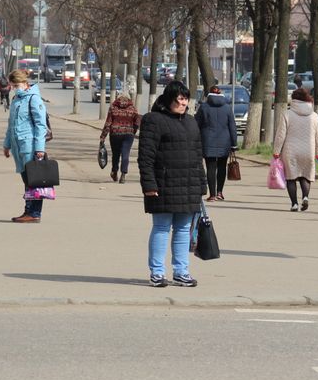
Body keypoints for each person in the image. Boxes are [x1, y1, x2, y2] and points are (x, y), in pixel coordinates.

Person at [138, 80, 207, 288]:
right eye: (178, 99)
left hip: (188, 185)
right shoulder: (153, 120)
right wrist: (149, 184)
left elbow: (198, 155)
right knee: (161, 228)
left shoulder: (191, 122)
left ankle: (181, 272)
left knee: (184, 229)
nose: (182, 102)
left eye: (185, 99)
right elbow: (145, 157)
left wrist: (202, 185)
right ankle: (157, 273)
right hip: (162, 185)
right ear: (168, 99)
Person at [3, 69, 48, 223]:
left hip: (30, 146)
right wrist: (6, 144)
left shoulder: (33, 98)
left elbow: (41, 125)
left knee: (33, 181)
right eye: (12, 86)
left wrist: (40, 148)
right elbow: (11, 124)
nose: (14, 88)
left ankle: (34, 213)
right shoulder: (16, 99)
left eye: (16, 85)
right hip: (18, 147)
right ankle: (28, 210)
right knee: (27, 181)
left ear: (24, 83)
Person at [272, 87, 318, 212]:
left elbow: (281, 135)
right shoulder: (314, 116)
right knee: (305, 176)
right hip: (308, 151)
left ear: (293, 99)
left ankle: (294, 204)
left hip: (290, 151)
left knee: (291, 178)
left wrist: (276, 151)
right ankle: (305, 197)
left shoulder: (287, 114)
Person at [195, 85, 237, 201]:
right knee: (222, 167)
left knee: (211, 167)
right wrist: (234, 144)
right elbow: (232, 127)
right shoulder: (227, 108)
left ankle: (212, 194)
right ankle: (220, 192)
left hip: (208, 141)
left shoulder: (204, 107)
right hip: (225, 142)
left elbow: (196, 124)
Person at [100, 93, 141, 184]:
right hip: (128, 134)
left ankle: (114, 171)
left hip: (115, 133)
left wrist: (103, 136)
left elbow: (108, 123)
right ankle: (123, 174)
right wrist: (132, 131)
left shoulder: (113, 108)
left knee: (116, 154)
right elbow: (137, 122)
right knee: (125, 154)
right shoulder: (133, 108)